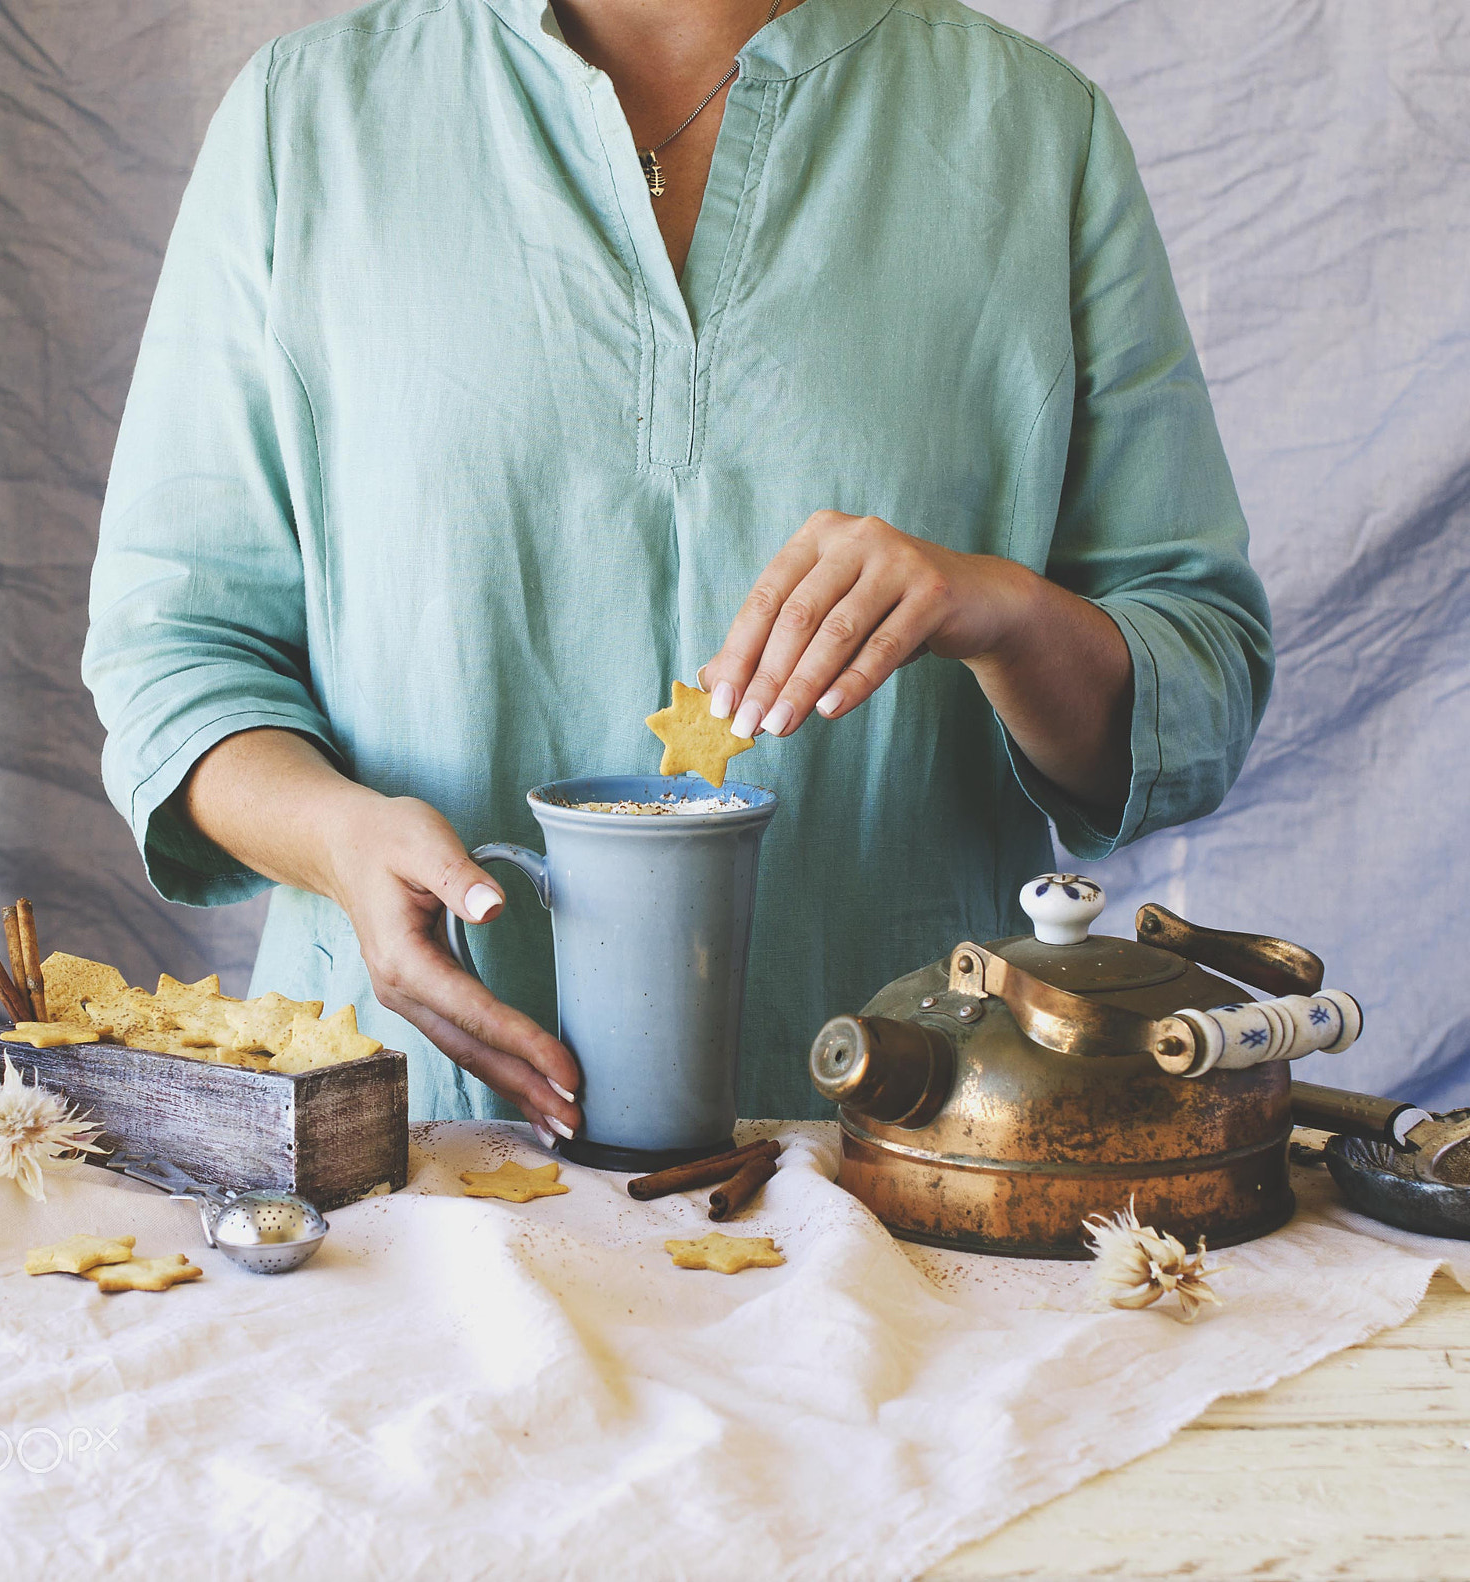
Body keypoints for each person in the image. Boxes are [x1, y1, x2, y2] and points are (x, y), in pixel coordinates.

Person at [84, 0, 1272, 1145]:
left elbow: (1195, 694)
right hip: (408, 1156)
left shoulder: (1032, 129)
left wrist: (1002, 612)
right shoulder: (306, 122)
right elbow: (175, 653)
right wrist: (336, 837)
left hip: (916, 1145)